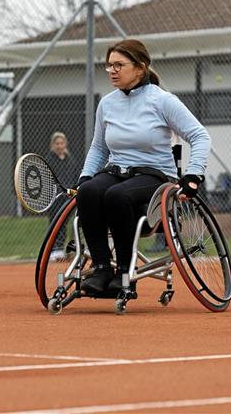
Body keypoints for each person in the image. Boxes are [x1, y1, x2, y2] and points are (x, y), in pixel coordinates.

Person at [75, 39, 211, 293]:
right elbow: (98, 148)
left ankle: (126, 274)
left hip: (155, 176)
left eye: (119, 65)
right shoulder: (107, 103)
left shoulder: (162, 101)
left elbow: (200, 136)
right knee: (89, 192)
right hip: (117, 171)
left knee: (116, 196)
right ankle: (102, 269)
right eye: (109, 66)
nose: (112, 71)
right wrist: (86, 176)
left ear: (140, 68)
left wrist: (194, 175)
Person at [46, 132, 80, 260]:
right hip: (54, 196)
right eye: (57, 143)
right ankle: (54, 250)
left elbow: (75, 176)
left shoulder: (70, 159)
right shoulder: (49, 159)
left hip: (67, 196)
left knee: (64, 222)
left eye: (62, 143)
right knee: (54, 222)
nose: (60, 146)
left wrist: (71, 191)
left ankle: (62, 250)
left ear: (65, 144)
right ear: (53, 145)